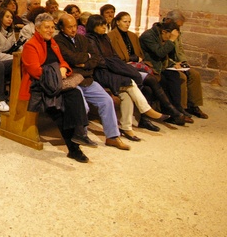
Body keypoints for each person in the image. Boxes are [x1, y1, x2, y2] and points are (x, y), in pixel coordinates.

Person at [19, 13, 95, 163]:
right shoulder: (30, 45)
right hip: (40, 86)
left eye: (52, 27)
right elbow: (35, 71)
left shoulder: (53, 43)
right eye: (47, 27)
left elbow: (63, 62)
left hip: (56, 83)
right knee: (60, 110)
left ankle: (80, 134)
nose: (50, 30)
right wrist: (57, 73)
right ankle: (74, 149)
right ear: (37, 28)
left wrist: (63, 69)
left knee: (75, 95)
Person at [55, 14, 130, 150]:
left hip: (87, 79)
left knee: (106, 101)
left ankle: (112, 137)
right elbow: (70, 58)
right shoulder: (58, 41)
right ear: (61, 28)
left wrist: (84, 63)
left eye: (75, 26)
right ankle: (81, 136)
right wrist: (85, 58)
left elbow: (95, 58)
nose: (73, 30)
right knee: (83, 106)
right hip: (72, 81)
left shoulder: (82, 39)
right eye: (69, 27)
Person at [86, 14, 170, 135]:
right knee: (129, 83)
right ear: (93, 26)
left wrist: (115, 63)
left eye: (105, 24)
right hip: (99, 73)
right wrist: (114, 64)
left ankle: (126, 127)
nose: (104, 27)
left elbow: (114, 56)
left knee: (127, 94)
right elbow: (98, 60)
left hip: (110, 69)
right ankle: (146, 110)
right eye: (101, 25)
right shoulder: (89, 39)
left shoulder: (104, 38)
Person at [108, 12, 187, 126]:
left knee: (150, 88)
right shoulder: (111, 36)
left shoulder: (132, 35)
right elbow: (112, 57)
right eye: (125, 21)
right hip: (121, 67)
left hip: (137, 66)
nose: (127, 24)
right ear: (118, 22)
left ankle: (146, 120)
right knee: (152, 79)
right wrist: (130, 58)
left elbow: (141, 54)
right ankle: (171, 110)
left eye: (129, 22)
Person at [139, 19, 194, 123]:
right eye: (169, 36)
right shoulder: (148, 36)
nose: (168, 39)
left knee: (174, 76)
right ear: (164, 31)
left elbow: (164, 57)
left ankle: (177, 109)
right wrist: (171, 40)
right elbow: (160, 53)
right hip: (150, 66)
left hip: (159, 66)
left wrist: (174, 64)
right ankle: (172, 112)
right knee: (165, 80)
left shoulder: (161, 34)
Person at [163, 10, 208, 119]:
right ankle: (181, 108)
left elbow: (180, 49)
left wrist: (184, 62)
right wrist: (174, 64)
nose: (179, 28)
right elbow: (162, 52)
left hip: (177, 63)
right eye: (178, 25)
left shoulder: (177, 32)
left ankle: (193, 105)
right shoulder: (163, 31)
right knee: (181, 77)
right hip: (166, 63)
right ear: (170, 21)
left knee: (194, 75)